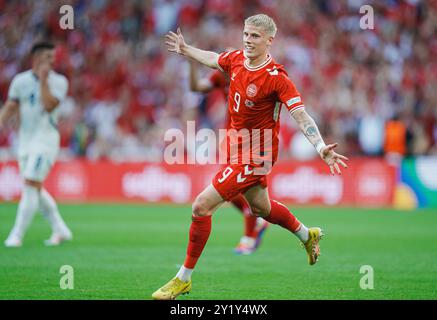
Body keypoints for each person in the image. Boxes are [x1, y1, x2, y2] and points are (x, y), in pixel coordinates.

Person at [153, 14, 348, 300]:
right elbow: (213, 58)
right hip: (236, 146)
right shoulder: (235, 60)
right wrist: (186, 49)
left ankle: (183, 279)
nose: (248, 40)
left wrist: (320, 147)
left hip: (258, 155)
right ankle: (308, 235)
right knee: (261, 209)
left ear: (269, 41)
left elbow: (300, 115)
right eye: (246, 34)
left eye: (255, 36)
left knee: (201, 206)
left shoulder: (276, 79)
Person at [189, 60, 269, 255]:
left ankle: (249, 237)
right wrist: (191, 63)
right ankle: (258, 223)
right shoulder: (221, 75)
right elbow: (196, 87)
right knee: (230, 189)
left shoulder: (252, 77)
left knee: (240, 186)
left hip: (252, 139)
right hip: (231, 137)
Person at [0, 42, 73, 247]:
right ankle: (60, 229)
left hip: (46, 141)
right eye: (48, 57)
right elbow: (11, 106)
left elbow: (50, 105)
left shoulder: (59, 82)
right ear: (36, 58)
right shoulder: (20, 81)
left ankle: (16, 235)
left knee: (30, 184)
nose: (52, 61)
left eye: (53, 57)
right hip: (25, 142)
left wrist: (42, 81)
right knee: (36, 188)